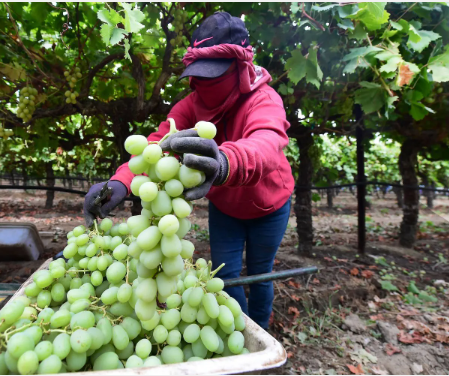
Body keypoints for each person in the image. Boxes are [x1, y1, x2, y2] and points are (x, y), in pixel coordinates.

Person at [83, 12, 294, 330]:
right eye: (200, 75)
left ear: (239, 67)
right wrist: (122, 182)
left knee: (261, 273)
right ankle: (241, 332)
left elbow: (266, 145)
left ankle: (260, 329)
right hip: (225, 208)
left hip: (269, 206)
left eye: (214, 75)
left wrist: (225, 163)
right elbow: (156, 147)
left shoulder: (263, 99)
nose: (204, 83)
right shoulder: (189, 106)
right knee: (225, 276)